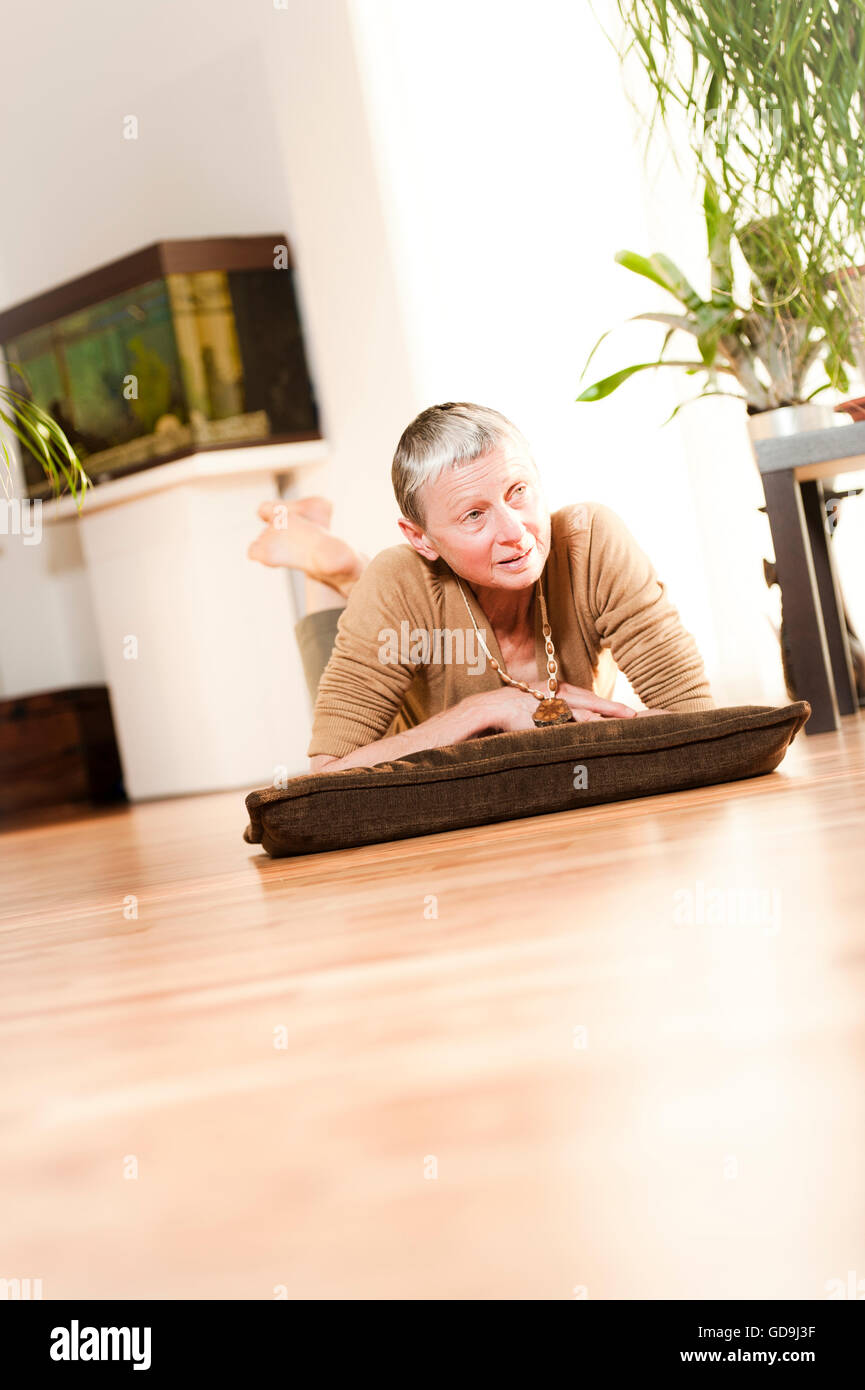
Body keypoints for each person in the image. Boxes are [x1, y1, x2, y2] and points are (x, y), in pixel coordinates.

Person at [248, 402, 715, 773]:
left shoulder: (590, 540)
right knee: (347, 620)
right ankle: (331, 564)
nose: (516, 532)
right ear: (421, 538)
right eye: (474, 515)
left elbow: (698, 719)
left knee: (387, 592)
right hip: (399, 707)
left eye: (517, 490)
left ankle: (350, 570)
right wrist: (484, 709)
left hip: (411, 596)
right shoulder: (398, 580)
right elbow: (327, 777)